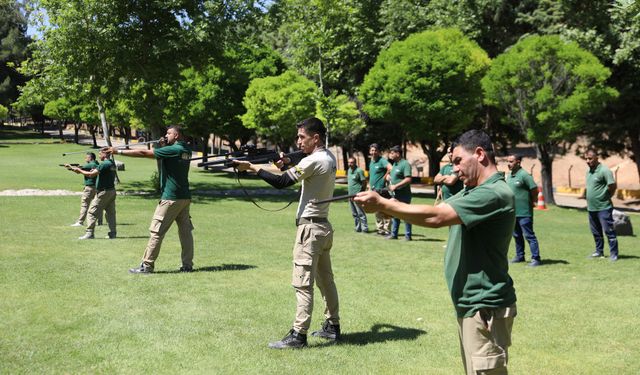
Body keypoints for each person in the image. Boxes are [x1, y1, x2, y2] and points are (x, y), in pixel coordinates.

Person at [354, 130, 517, 375]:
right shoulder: (473, 190)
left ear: (480, 154)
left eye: (458, 161)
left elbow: (437, 217)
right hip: (472, 305)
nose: (454, 170)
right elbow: (438, 208)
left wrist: (383, 204)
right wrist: (391, 205)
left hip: (485, 307)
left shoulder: (494, 193)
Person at [234, 117, 341, 349]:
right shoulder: (329, 157)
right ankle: (333, 327)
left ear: (316, 138)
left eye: (303, 137)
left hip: (310, 230)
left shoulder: (314, 160)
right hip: (322, 227)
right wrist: (284, 160)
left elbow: (282, 181)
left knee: (302, 283)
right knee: (326, 281)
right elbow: (293, 166)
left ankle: (298, 335)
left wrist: (253, 168)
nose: (298, 141)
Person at [106, 126, 195, 274]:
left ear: (177, 135)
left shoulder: (174, 150)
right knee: (185, 233)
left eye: (169, 133)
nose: (166, 135)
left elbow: (143, 152)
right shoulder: (185, 149)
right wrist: (164, 144)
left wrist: (117, 151)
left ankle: (146, 266)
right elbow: (169, 157)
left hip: (170, 198)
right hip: (184, 197)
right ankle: (187, 265)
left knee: (156, 232)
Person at [72, 149, 117, 240]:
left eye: (100, 154)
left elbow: (91, 175)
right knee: (110, 213)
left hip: (103, 192)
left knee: (91, 212)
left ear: (104, 154)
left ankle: (89, 233)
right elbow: (101, 172)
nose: (99, 156)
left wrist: (79, 171)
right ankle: (113, 233)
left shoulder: (104, 164)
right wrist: (95, 170)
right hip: (111, 191)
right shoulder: (111, 163)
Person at [506, 154, 542, 267]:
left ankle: (536, 258)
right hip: (512, 212)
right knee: (516, 235)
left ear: (518, 162)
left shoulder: (524, 175)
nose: (509, 163)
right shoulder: (510, 176)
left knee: (529, 235)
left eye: (511, 161)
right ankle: (520, 256)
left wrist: (533, 201)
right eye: (508, 161)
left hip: (524, 212)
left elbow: (534, 189)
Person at [585, 149, 619, 262]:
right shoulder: (589, 171)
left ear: (596, 158)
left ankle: (614, 254)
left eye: (590, 158)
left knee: (609, 231)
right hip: (591, 208)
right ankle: (599, 251)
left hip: (603, 207)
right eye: (586, 158)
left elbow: (612, 186)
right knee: (596, 232)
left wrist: (607, 196)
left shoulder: (605, 171)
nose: (587, 161)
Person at [386, 145, 413, 240]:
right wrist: (389, 177)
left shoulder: (405, 164)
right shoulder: (394, 164)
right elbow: (395, 176)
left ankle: (408, 236)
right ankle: (394, 234)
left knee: (406, 215)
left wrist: (395, 186)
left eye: (392, 153)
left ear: (398, 154)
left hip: (404, 195)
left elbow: (408, 179)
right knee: (395, 215)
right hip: (395, 195)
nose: (390, 155)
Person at [67, 152, 100, 227]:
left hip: (89, 188)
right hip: (96, 187)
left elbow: (77, 171)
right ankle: (99, 221)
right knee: (97, 205)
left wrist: (69, 167)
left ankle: (80, 221)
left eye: (86, 157)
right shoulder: (97, 164)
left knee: (85, 205)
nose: (85, 159)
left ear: (90, 158)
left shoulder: (90, 164)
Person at [368, 143, 391, 235]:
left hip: (382, 190)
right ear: (370, 151)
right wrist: (369, 187)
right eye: (372, 150)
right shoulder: (371, 162)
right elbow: (371, 176)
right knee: (377, 210)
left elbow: (390, 168)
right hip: (374, 190)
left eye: (375, 150)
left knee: (385, 209)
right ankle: (380, 229)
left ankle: (387, 230)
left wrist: (385, 177)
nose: (373, 152)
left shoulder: (382, 160)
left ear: (378, 151)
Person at [347, 157, 369, 233]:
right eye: (349, 162)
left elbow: (364, 182)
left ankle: (365, 229)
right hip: (349, 196)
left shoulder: (359, 171)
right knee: (354, 214)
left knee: (360, 213)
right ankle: (358, 228)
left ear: (355, 163)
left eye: (351, 162)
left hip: (357, 196)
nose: (350, 164)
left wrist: (361, 192)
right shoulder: (349, 170)